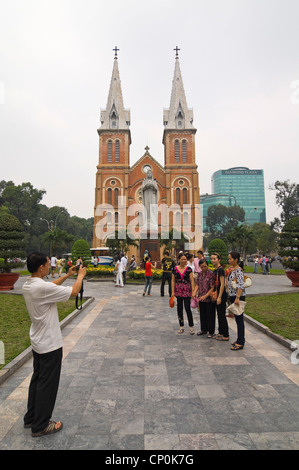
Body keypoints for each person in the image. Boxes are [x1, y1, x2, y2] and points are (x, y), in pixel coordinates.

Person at [22, 252, 86, 437]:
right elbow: (74, 292)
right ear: (41, 267)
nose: (49, 266)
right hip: (49, 343)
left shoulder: (30, 284)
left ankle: (31, 418)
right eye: (47, 264)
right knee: (47, 385)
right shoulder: (40, 288)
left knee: (37, 380)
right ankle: (41, 425)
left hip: (38, 341)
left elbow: (48, 286)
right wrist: (80, 276)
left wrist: (67, 275)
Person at [171, 253, 195, 335]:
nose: (184, 261)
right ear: (179, 260)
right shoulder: (174, 269)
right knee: (179, 309)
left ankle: (191, 327)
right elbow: (173, 281)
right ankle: (181, 327)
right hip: (178, 291)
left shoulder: (189, 269)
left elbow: (192, 281)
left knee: (188, 309)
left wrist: (193, 291)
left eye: (185, 259)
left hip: (187, 291)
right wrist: (172, 292)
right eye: (182, 259)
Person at [226, 251, 246, 350]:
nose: (229, 260)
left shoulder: (238, 270)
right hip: (233, 296)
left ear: (236, 260)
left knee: (239, 319)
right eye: (228, 258)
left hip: (238, 297)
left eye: (230, 258)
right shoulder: (233, 269)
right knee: (238, 319)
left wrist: (237, 298)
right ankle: (239, 339)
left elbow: (241, 285)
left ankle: (241, 342)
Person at [193, 258, 216, 337]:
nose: (203, 268)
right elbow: (198, 284)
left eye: (205, 266)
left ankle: (211, 331)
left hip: (208, 298)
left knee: (210, 315)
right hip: (200, 297)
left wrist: (205, 296)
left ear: (207, 265)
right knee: (202, 314)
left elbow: (212, 287)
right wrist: (194, 292)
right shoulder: (199, 274)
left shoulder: (211, 274)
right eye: (202, 267)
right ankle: (203, 329)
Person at [210, 253, 229, 341]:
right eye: (212, 259)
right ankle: (221, 332)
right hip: (217, 294)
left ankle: (226, 335)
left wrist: (220, 297)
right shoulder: (216, 269)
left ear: (219, 259)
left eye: (215, 259)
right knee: (219, 314)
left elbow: (222, 284)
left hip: (220, 294)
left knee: (222, 315)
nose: (213, 260)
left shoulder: (220, 270)